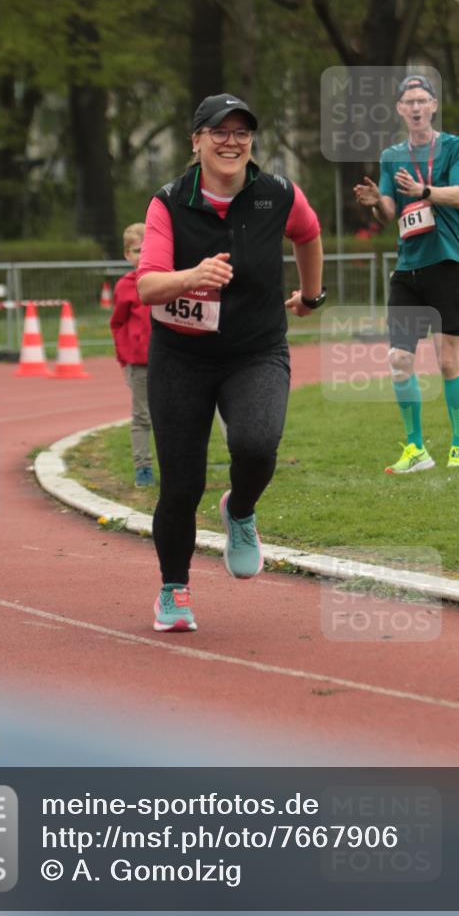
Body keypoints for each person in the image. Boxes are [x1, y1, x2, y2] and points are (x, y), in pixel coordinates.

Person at [137, 93, 324, 632]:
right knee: (181, 484)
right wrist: (190, 277)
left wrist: (312, 296)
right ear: (196, 141)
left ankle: (240, 510)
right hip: (182, 357)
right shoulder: (167, 203)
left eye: (242, 132)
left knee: (257, 442)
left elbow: (308, 235)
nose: (231, 141)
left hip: (256, 349)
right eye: (219, 131)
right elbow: (148, 284)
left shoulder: (278, 195)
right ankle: (174, 591)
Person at [353, 74, 459, 475]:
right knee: (399, 359)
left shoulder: (457, 147)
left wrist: (423, 190)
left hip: (446, 263)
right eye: (409, 101)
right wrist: (376, 203)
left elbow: (458, 196)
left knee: (446, 360)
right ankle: (415, 449)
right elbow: (389, 211)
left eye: (423, 100)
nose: (416, 107)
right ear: (400, 110)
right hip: (408, 270)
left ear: (434, 105)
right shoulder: (392, 156)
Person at [110, 223, 155, 487]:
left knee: (173, 417)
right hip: (138, 364)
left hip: (168, 360)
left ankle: (176, 469)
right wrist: (124, 358)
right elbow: (117, 323)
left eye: (147, 249)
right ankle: (143, 468)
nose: (142, 255)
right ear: (127, 254)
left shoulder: (165, 278)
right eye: (137, 251)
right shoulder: (125, 287)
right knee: (142, 416)